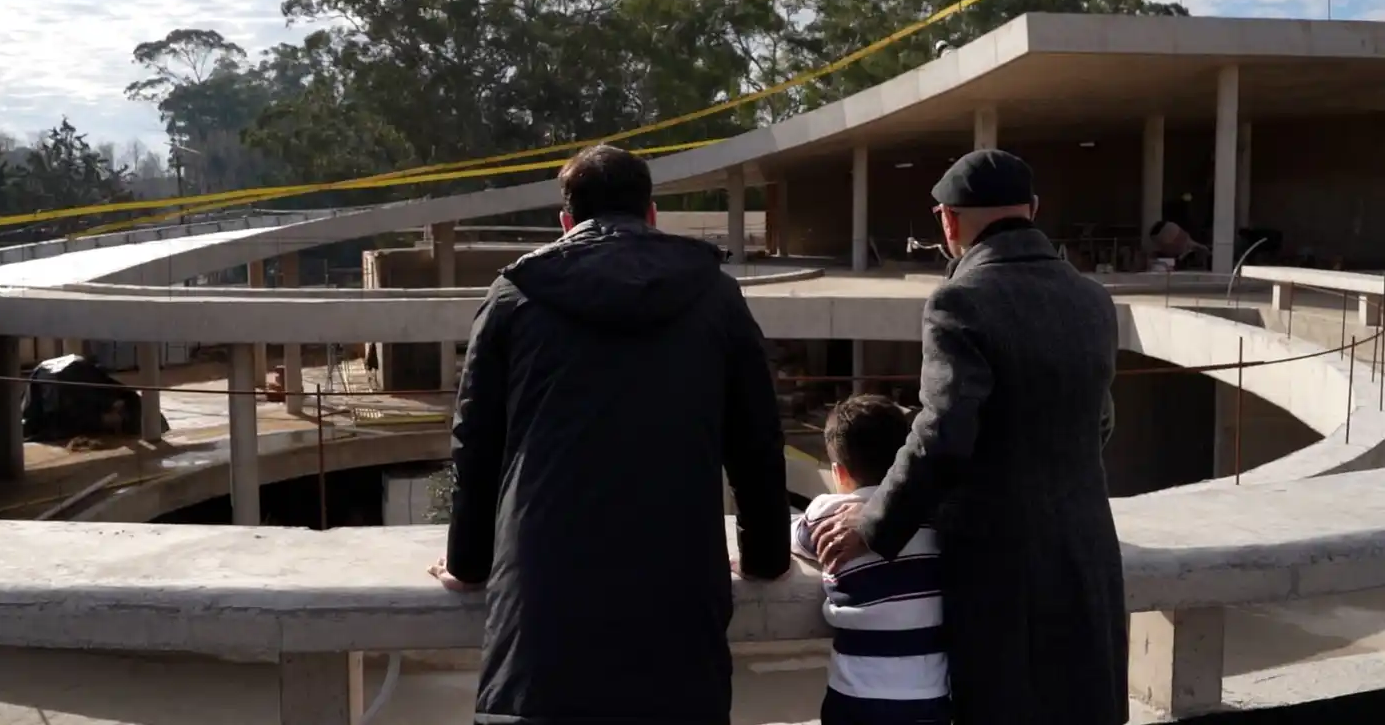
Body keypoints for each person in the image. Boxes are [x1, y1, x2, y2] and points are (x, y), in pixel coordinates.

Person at [429, 144, 793, 725]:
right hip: (678, 611)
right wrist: (766, 557)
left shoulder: (514, 296)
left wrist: (467, 563)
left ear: (565, 222)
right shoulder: (714, 294)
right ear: (652, 215)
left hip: (542, 615)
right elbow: (756, 439)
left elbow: (476, 444)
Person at [810, 148, 1126, 725]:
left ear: (948, 221)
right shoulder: (1093, 299)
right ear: (1033, 209)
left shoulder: (960, 300)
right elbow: (1100, 420)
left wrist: (876, 522)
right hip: (1086, 552)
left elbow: (943, 434)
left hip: (1000, 569)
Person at [791, 395, 949, 725]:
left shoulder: (827, 514)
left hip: (855, 697)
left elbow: (797, 540)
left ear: (839, 472)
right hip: (929, 698)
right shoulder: (934, 516)